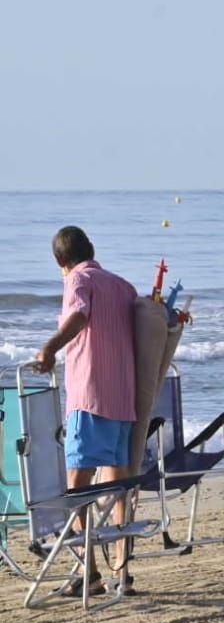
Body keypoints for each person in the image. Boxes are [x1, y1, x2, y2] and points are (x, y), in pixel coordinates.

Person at [30, 226, 139, 596]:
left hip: (90, 396)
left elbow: (78, 315)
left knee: (76, 486)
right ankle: (122, 572)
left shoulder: (77, 279)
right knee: (119, 485)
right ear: (91, 250)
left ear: (60, 260)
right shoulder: (122, 286)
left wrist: (49, 348)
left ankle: (89, 574)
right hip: (124, 398)